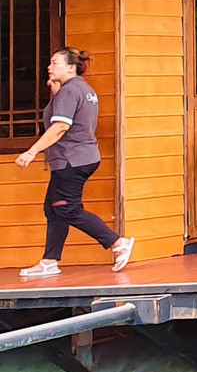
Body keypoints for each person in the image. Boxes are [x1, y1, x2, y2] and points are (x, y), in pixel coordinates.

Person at [14, 48, 131, 277]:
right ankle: (50, 261)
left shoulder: (70, 91)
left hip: (71, 159)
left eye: (55, 62)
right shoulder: (82, 89)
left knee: (66, 208)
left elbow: (60, 127)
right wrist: (57, 92)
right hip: (81, 156)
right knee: (54, 208)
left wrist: (31, 152)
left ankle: (117, 242)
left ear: (70, 67)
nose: (50, 66)